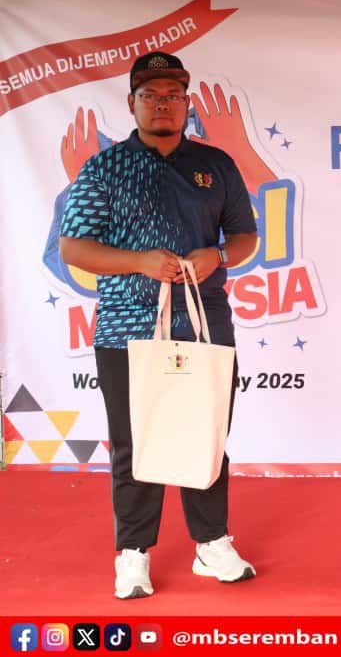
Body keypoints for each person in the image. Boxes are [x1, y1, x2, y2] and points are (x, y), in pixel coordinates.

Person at [59, 52, 259, 599]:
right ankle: (133, 553)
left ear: (187, 103)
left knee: (207, 434)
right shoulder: (104, 168)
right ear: (132, 103)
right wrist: (139, 262)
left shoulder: (215, 164)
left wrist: (220, 255)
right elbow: (74, 247)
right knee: (133, 442)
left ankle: (211, 542)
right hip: (127, 327)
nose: (163, 104)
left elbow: (245, 236)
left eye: (173, 95)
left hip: (203, 322)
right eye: (151, 96)